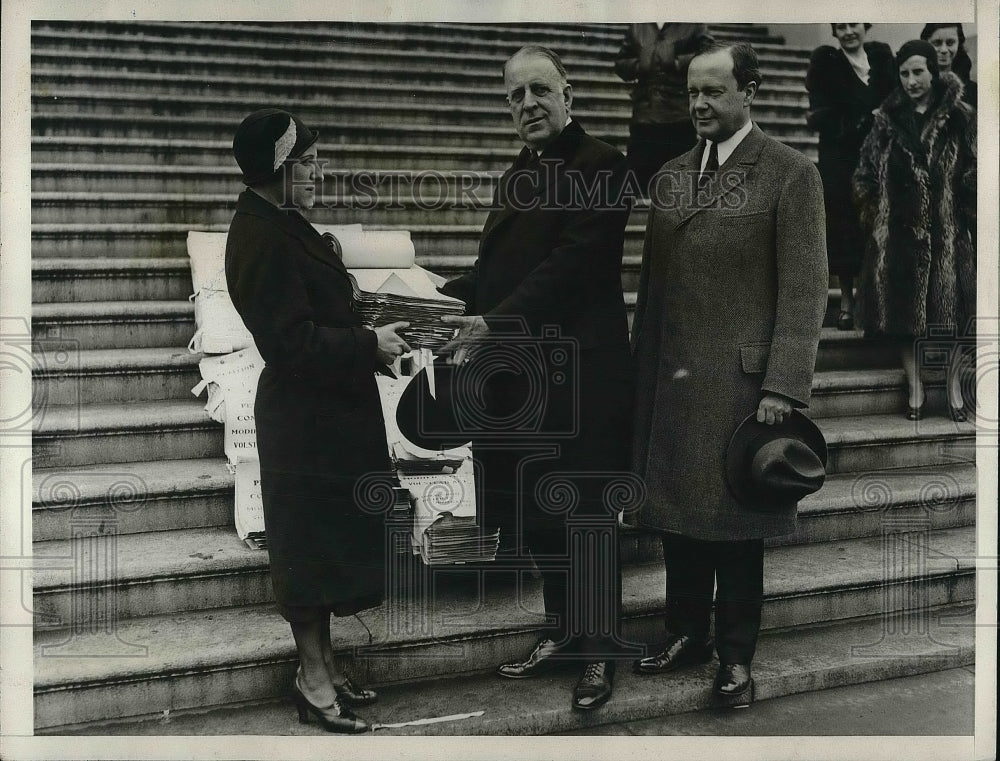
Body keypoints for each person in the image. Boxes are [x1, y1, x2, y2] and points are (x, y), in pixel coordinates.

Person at [630, 43, 828, 707]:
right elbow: (653, 289)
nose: (698, 105)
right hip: (679, 379)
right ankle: (685, 628)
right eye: (692, 92)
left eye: (714, 91)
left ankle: (736, 656)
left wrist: (783, 383)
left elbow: (805, 289)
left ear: (751, 91)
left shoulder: (789, 173)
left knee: (738, 529)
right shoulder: (672, 174)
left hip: (746, 390)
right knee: (681, 517)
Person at [438, 46, 635, 711]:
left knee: (585, 515)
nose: (527, 105)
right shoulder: (518, 173)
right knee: (546, 514)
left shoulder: (602, 165)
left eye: (539, 90)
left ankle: (600, 653)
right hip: (528, 379)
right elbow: (501, 273)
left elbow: (573, 266)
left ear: (568, 94)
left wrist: (494, 320)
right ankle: (561, 631)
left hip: (582, 373)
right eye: (515, 96)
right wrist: (430, 295)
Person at [225, 109, 411, 733]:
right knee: (307, 551)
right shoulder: (258, 235)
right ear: (276, 169)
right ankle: (311, 679)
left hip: (329, 414)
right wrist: (367, 345)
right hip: (304, 421)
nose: (318, 171)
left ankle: (325, 665)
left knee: (329, 544)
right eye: (305, 163)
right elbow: (290, 343)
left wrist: (366, 326)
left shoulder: (283, 224)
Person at [853, 41, 977, 421]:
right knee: (901, 316)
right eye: (904, 73)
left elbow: (979, 166)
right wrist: (878, 218)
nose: (911, 81)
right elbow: (865, 175)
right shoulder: (885, 120)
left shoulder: (960, 117)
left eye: (918, 72)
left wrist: (968, 207)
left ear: (933, 73)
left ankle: (955, 387)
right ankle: (916, 386)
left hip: (949, 235)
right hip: (899, 238)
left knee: (956, 316)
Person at [805, 24, 895, 330]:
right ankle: (845, 301)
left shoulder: (882, 59)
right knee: (843, 224)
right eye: (840, 26)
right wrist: (857, 123)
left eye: (853, 24)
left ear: (864, 25)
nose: (847, 32)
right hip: (839, 157)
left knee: (877, 225)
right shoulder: (825, 62)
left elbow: (896, 101)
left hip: (877, 157)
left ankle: (873, 302)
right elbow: (819, 112)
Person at [614, 23, 715, 193]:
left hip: (679, 113)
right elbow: (621, 63)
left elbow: (711, 55)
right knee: (638, 182)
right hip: (645, 114)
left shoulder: (693, 24)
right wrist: (639, 65)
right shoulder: (639, 26)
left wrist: (678, 62)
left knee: (681, 185)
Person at [920, 23, 977, 108]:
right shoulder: (916, 85)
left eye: (950, 43)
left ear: (958, 44)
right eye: (937, 43)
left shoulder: (973, 90)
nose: (944, 50)